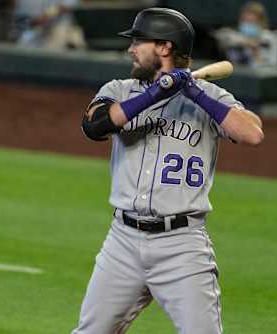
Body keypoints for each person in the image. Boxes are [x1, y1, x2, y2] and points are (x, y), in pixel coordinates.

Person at [73, 7, 264, 334]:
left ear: (164, 47)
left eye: (138, 42)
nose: (130, 49)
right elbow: (94, 125)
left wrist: (196, 94)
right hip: (123, 242)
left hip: (182, 246)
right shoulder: (121, 90)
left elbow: (252, 134)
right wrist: (153, 94)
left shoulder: (210, 95)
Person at [213, 1, 277, 67]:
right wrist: (246, 42)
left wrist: (256, 53)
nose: (247, 24)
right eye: (244, 20)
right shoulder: (234, 35)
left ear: (261, 21)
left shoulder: (270, 38)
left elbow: (273, 65)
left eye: (251, 21)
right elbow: (221, 36)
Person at [10, 0, 85, 50]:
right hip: (33, 29)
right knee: (22, 48)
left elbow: (68, 5)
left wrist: (48, 14)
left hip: (58, 27)